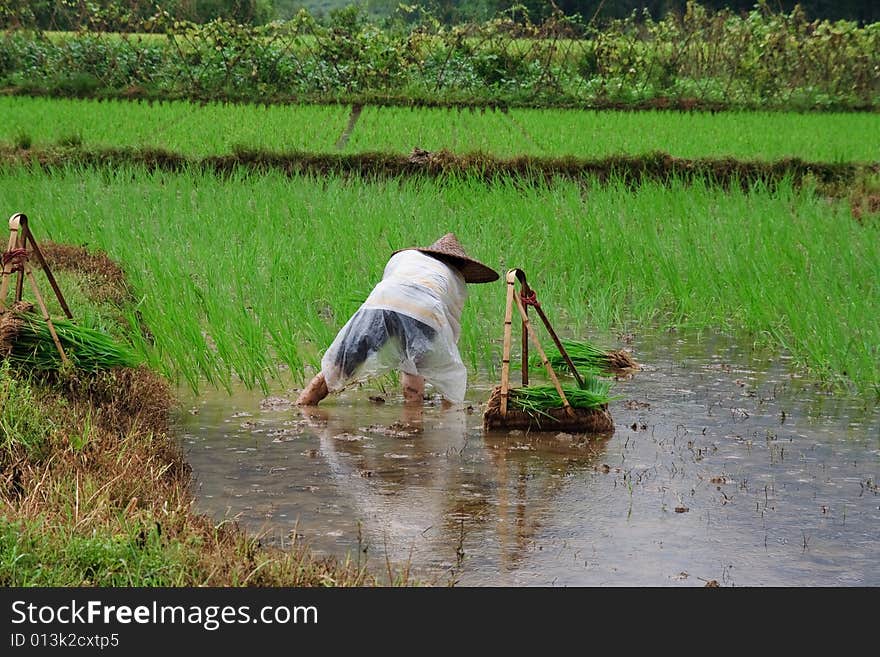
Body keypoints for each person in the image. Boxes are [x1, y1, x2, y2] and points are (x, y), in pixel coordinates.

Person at [296, 233, 498, 406]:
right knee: (423, 362)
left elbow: (391, 285)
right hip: (425, 309)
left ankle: (305, 402)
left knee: (347, 358)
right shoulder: (456, 277)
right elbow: (450, 322)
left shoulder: (406, 257)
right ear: (460, 265)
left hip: (383, 301)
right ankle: (422, 416)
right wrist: (444, 355)